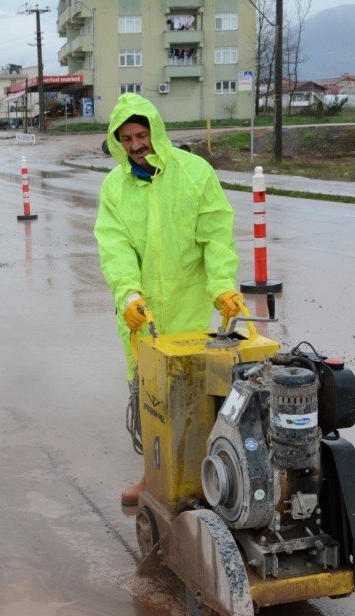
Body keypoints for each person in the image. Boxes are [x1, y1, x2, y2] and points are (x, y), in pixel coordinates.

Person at [94, 93, 243, 506]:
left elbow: (216, 238)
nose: (137, 145)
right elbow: (114, 246)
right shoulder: (114, 188)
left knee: (204, 400)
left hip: (192, 309)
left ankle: (211, 480)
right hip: (144, 315)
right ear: (117, 141)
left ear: (156, 132)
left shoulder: (195, 174)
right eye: (127, 138)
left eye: (142, 134)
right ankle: (153, 477)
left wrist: (223, 287)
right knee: (150, 399)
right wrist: (128, 293)